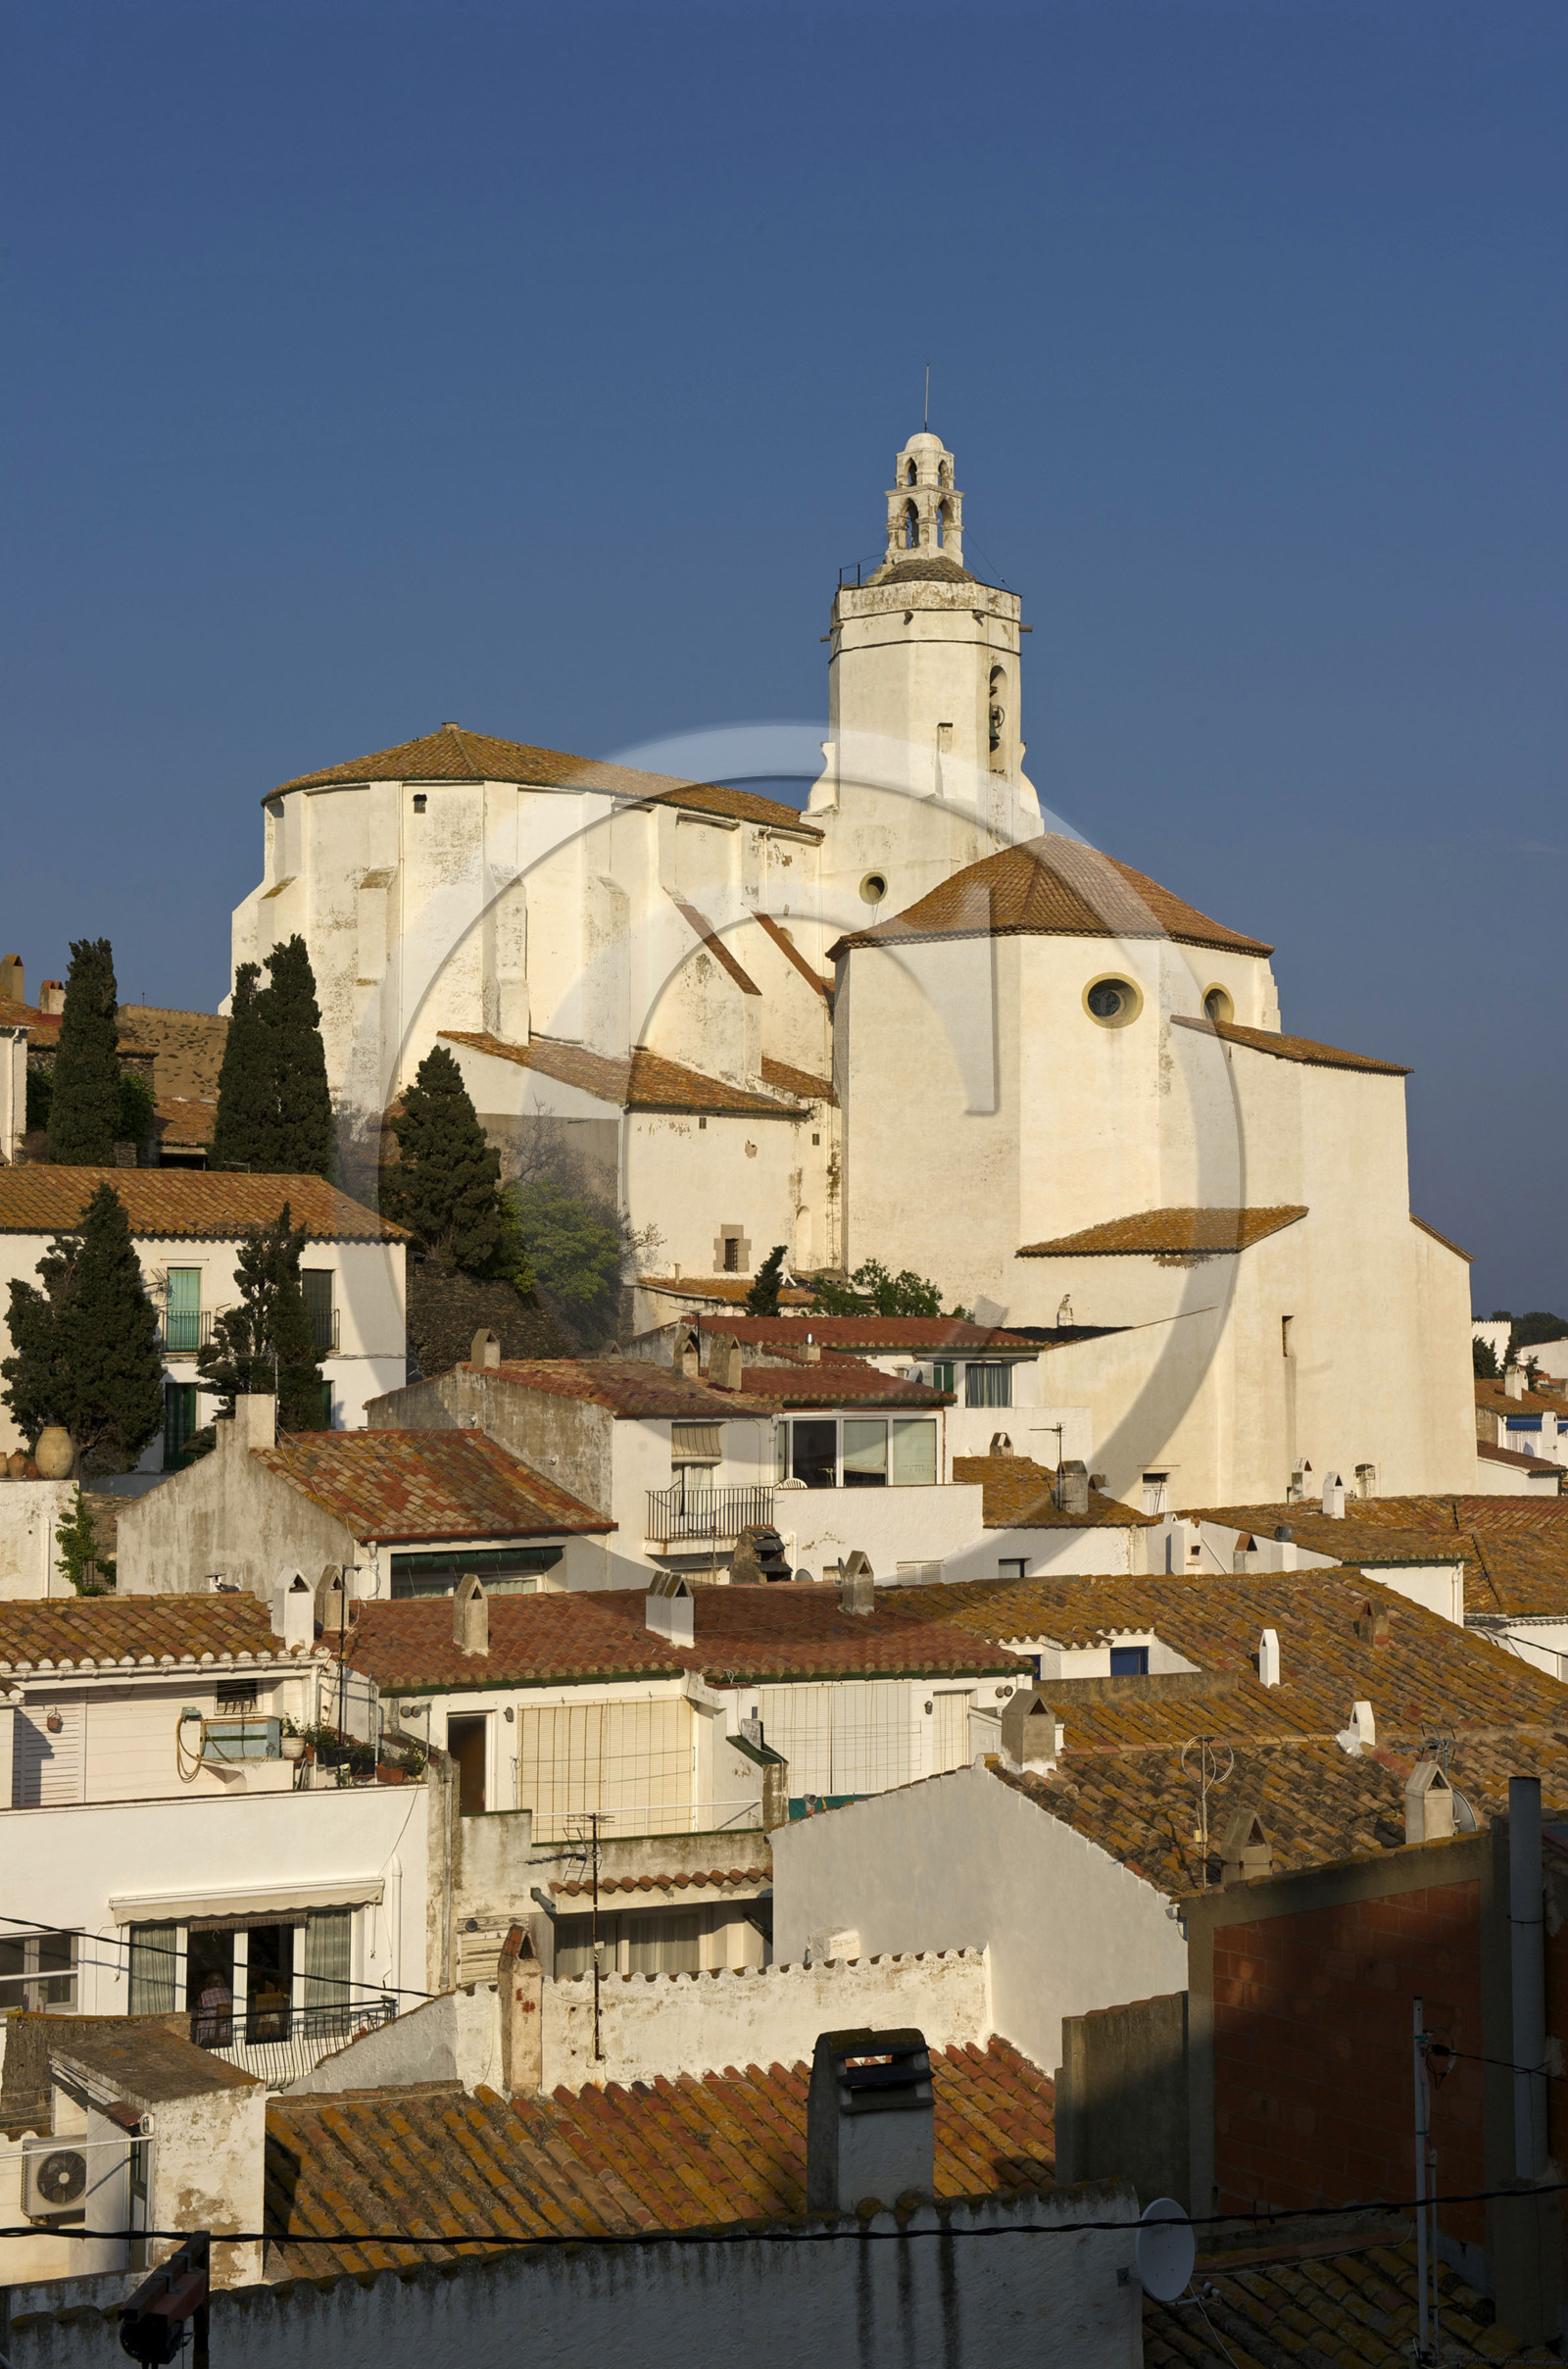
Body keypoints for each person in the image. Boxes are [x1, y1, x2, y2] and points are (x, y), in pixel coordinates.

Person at [192, 1965, 232, 2048]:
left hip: (211, 2029)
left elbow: (198, 2006)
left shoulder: (204, 1994)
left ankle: (197, 2047)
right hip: (228, 2028)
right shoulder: (228, 1992)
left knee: (199, 2023)